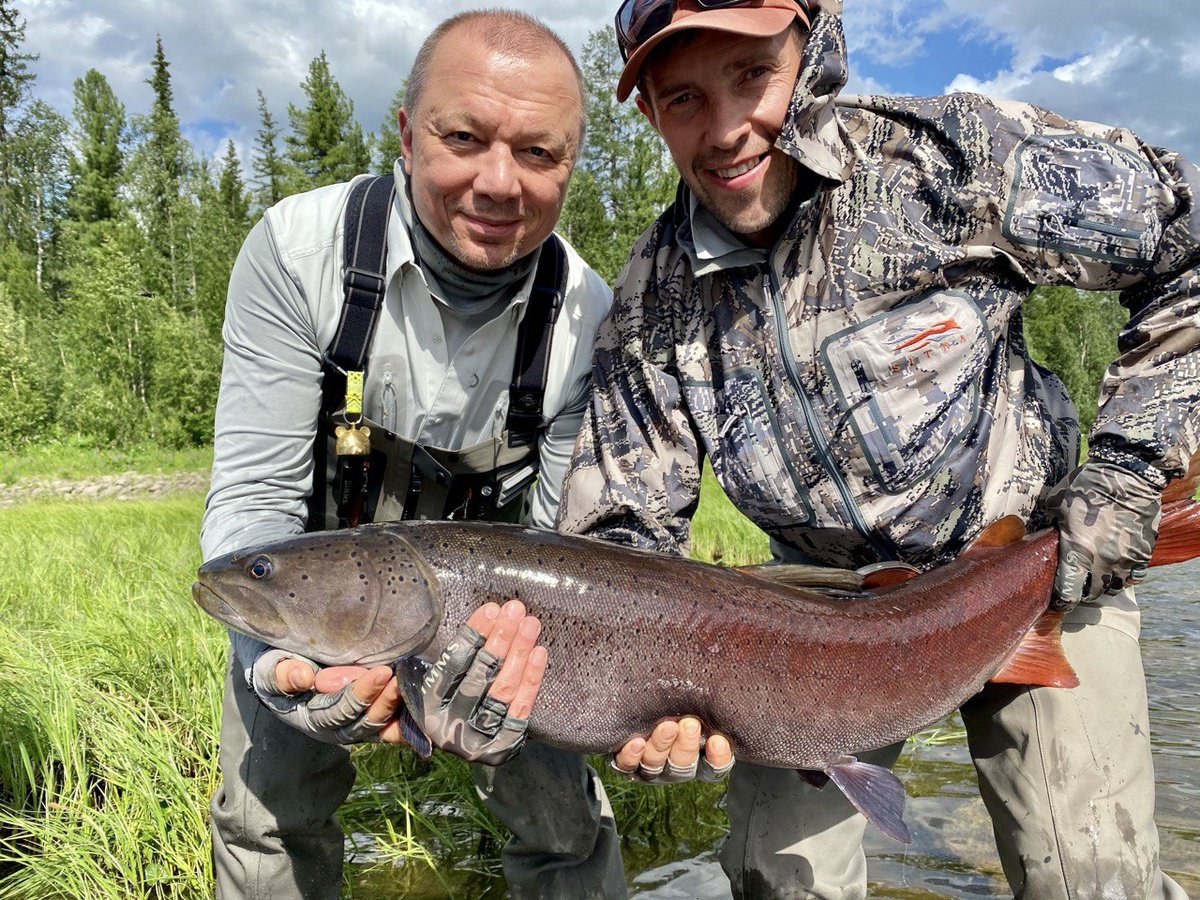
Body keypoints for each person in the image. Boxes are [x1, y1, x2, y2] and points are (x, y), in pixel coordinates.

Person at [558, 0, 1200, 897]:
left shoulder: (951, 160)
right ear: (650, 113)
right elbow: (623, 543)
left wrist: (1132, 468)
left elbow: (1188, 244)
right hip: (814, 630)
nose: (726, 130)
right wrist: (641, 695)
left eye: (753, 76)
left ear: (812, 52)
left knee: (1090, 874)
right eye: (683, 99)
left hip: (1041, 571)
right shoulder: (648, 301)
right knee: (774, 879)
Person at [200, 10, 629, 898]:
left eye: (539, 154)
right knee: (264, 814)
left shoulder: (588, 319)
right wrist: (272, 667)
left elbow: (564, 547)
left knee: (564, 825)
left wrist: (517, 683)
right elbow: (254, 500)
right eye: (463, 137)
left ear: (569, 166)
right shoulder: (297, 255)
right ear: (405, 132)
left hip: (504, 610)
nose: (498, 183)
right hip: (319, 587)